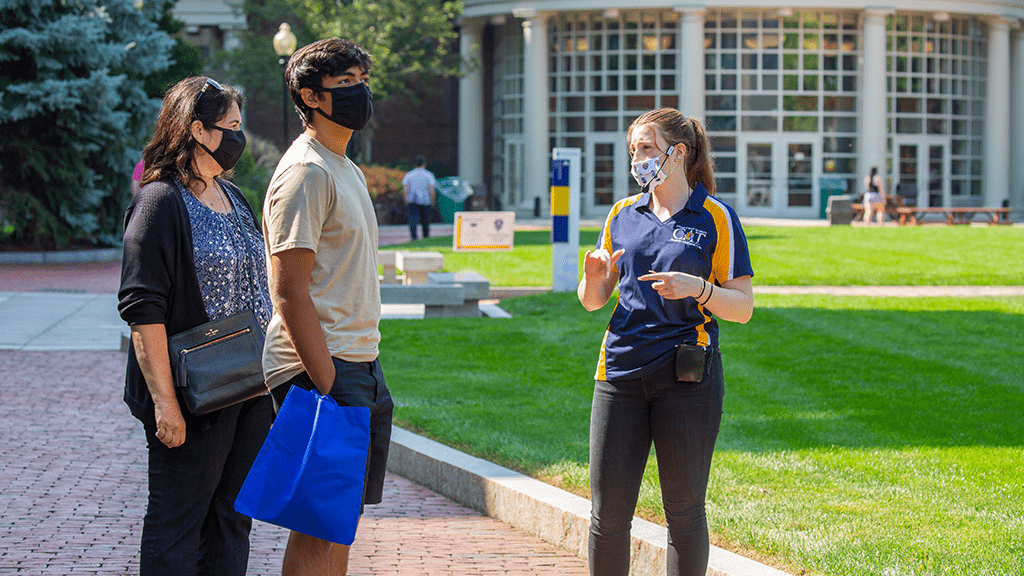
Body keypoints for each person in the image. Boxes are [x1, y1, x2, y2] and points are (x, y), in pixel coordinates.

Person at [577, 108, 754, 576]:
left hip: (686, 380)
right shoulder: (621, 213)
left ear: (677, 154)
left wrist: (697, 288)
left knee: (684, 512)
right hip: (619, 374)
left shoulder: (715, 216)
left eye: (647, 148)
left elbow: (742, 306)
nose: (637, 158)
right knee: (608, 516)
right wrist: (594, 280)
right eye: (633, 149)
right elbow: (593, 300)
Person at [118, 76, 274, 576]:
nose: (237, 137)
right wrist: (165, 403)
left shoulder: (236, 198)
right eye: (230, 126)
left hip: (249, 385)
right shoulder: (159, 202)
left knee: (232, 521)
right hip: (193, 394)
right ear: (197, 130)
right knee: (177, 524)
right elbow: (143, 310)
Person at [262, 38, 394, 576]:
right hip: (320, 366)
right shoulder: (306, 172)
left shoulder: (344, 168)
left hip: (357, 361)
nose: (360, 91)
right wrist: (326, 380)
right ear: (310, 96)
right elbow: (288, 288)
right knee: (317, 527)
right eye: (345, 84)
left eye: (362, 80)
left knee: (339, 523)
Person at [401, 154, 436, 240]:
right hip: (425, 200)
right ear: (424, 163)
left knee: (413, 219)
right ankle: (426, 236)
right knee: (425, 220)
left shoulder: (409, 175)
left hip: (412, 199)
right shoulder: (429, 175)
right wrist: (433, 200)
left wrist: (405, 199)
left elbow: (405, 188)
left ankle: (414, 236)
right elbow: (431, 189)